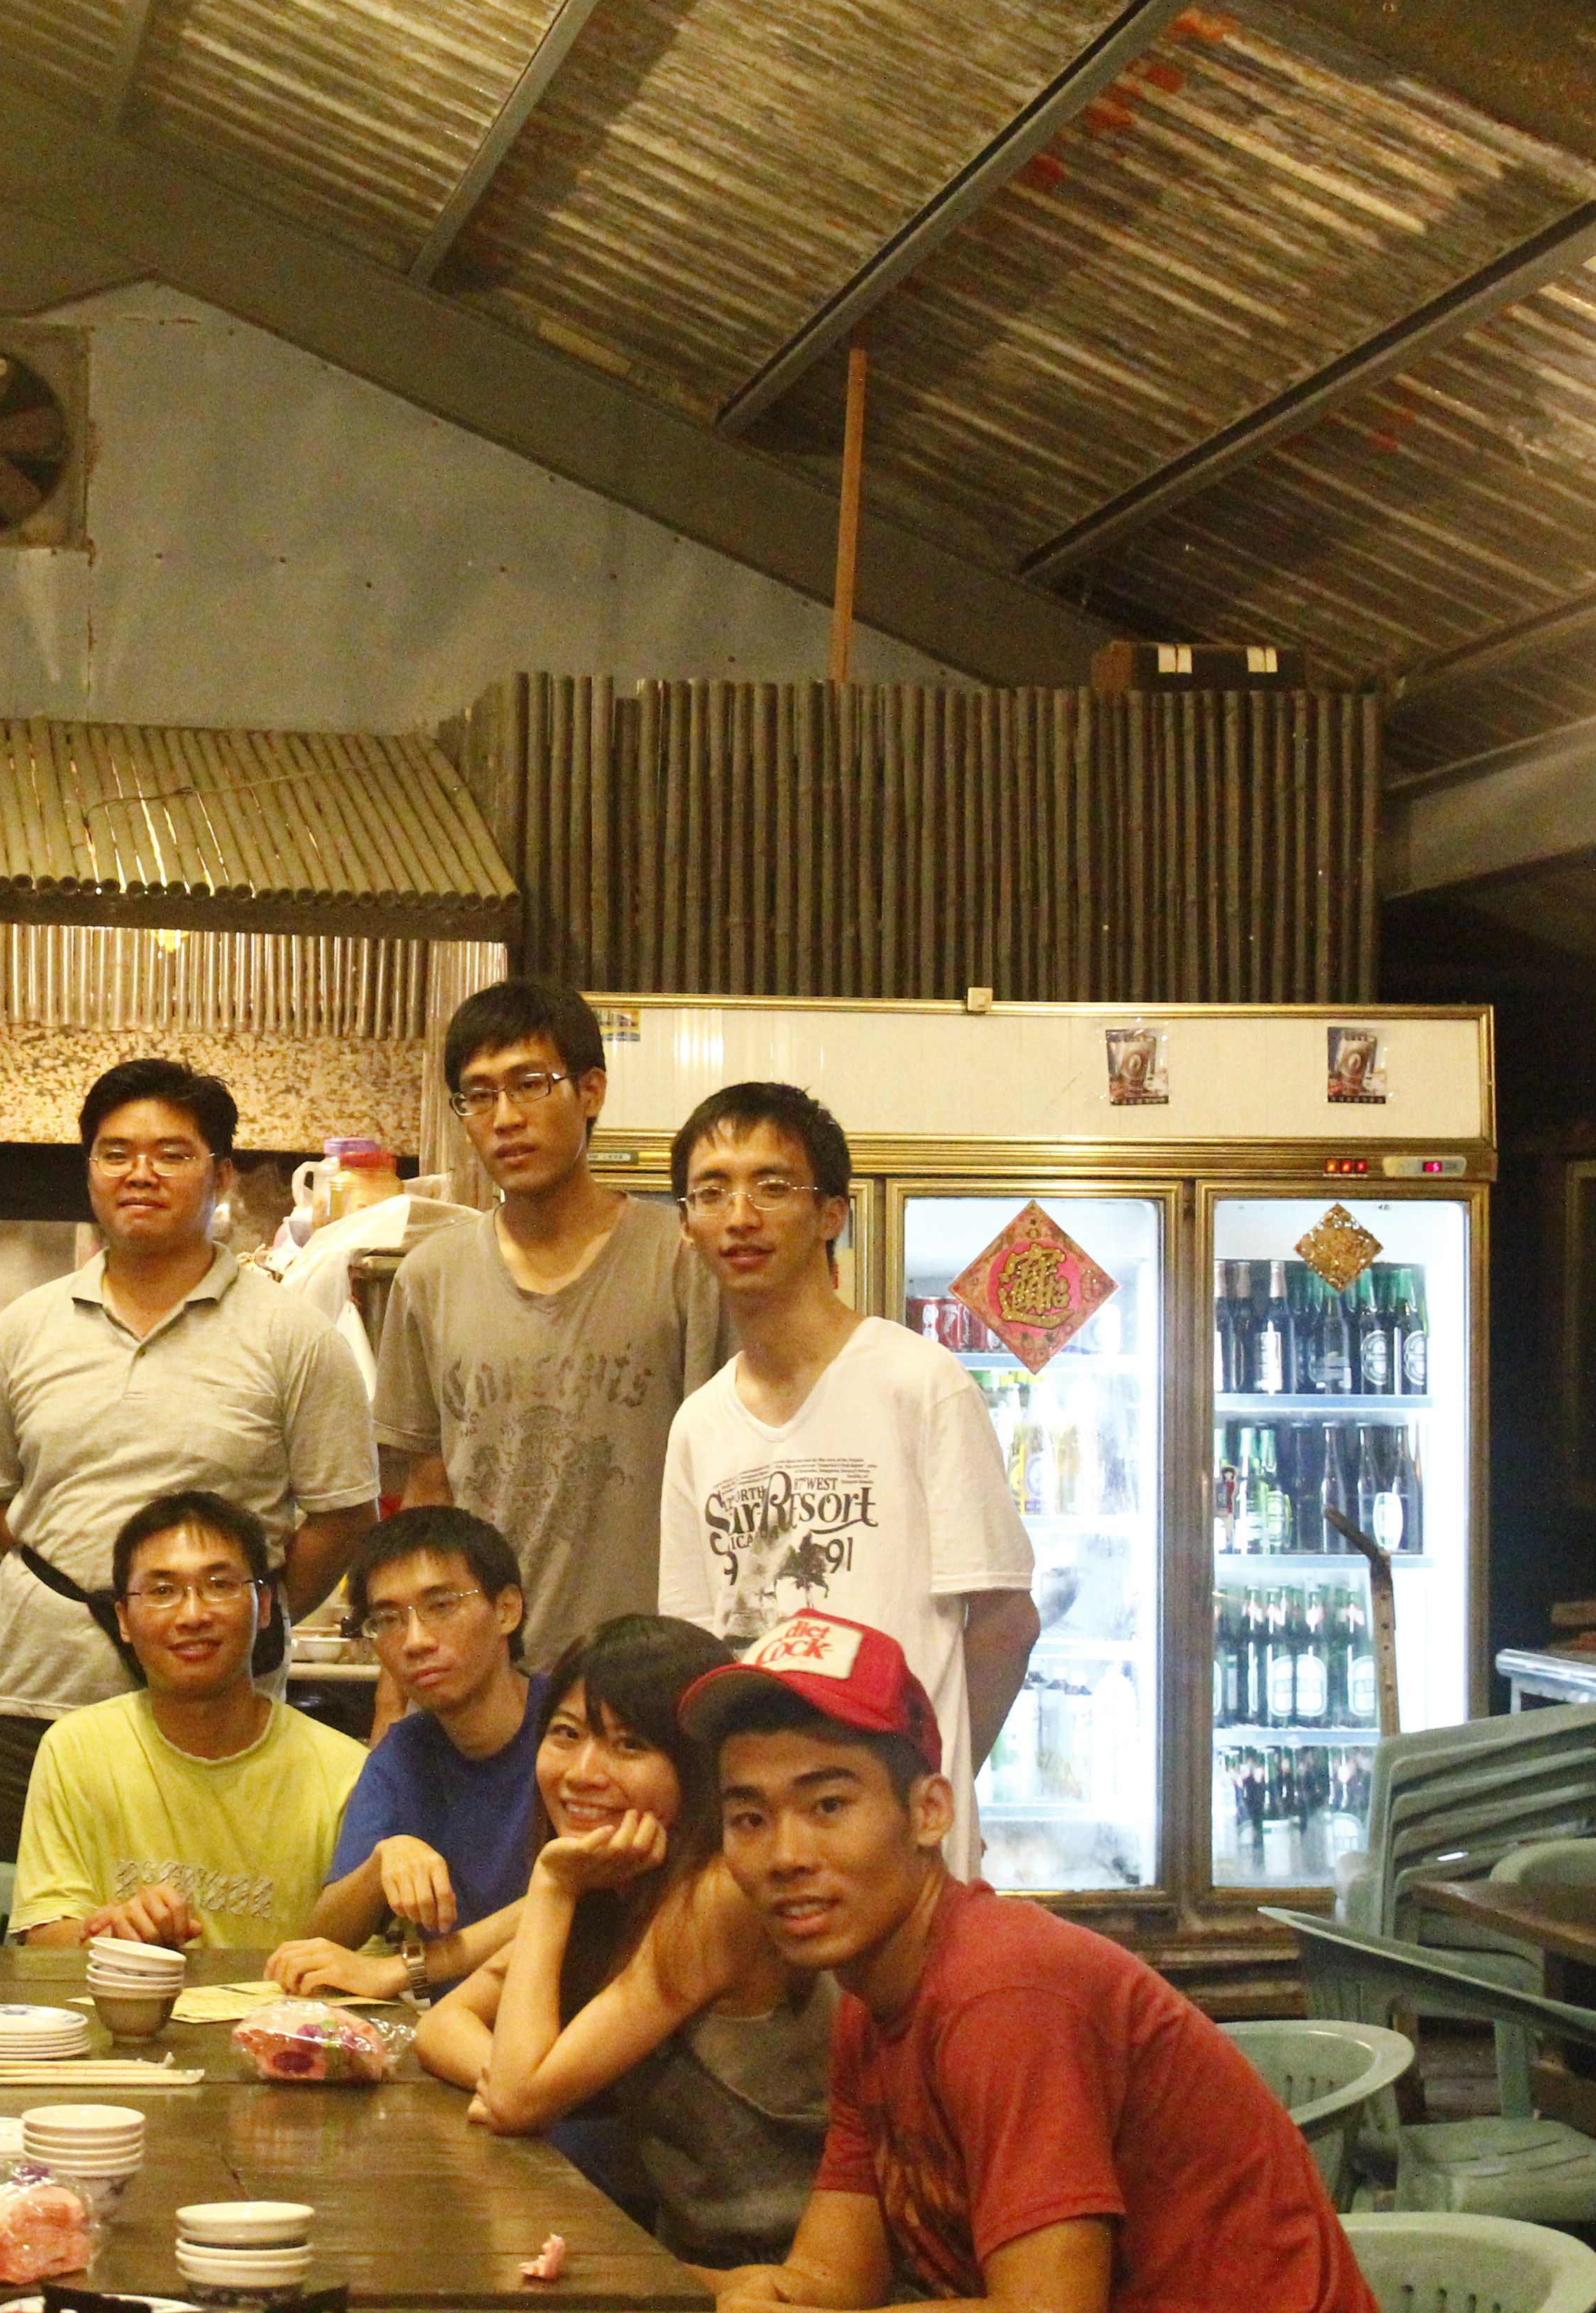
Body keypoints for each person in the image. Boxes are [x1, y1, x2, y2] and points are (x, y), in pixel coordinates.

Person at [688, 1611, 1374, 2313]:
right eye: (750, 1819)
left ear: (930, 1812)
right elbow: (827, 2284)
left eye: (828, 1805)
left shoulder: (1002, 1993)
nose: (786, 1856)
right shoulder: (870, 2006)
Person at [0, 1059, 381, 1859]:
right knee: (17, 1919)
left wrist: (236, 1615)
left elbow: (343, 1517)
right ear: (89, 1169)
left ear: (221, 1175)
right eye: (115, 1153)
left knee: (212, 1915)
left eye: (171, 1154)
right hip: (30, 1698)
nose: (140, 1174)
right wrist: (82, 1582)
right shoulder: (23, 1330)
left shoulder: (295, 1338)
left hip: (216, 1712)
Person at [657, 1081, 1038, 1878]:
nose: (740, 1215)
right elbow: (695, 1654)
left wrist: (928, 1790)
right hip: (764, 1855)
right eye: (712, 1191)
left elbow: (1005, 1624)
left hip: (905, 1850)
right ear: (688, 1226)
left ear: (831, 1213)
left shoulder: (919, 1383)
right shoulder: (698, 1424)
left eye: (771, 1185)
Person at [413, 1615, 824, 2275]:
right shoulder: (615, 1881)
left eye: (630, 1745)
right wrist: (512, 2075)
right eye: (566, 1735)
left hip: (780, 2275)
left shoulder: (718, 1893)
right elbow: (442, 2024)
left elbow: (519, 2102)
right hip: (690, 2254)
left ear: (697, 1766)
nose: (583, 1773)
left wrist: (552, 1886)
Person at [375, 980, 727, 1669]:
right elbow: (427, 1493)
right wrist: (400, 1681)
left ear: (591, 1091)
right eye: (479, 1095)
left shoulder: (684, 1260)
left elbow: (729, 1473)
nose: (505, 1118)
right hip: (484, 1679)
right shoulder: (429, 1278)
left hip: (649, 1670)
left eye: (531, 1084)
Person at [10, 1493, 367, 1949]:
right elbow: (44, 1935)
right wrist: (117, 1935)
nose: (193, 1614)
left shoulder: (345, 1774)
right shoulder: (76, 1750)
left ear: (264, 1605)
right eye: (162, 1591)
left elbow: (359, 1960)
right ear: (123, 1619)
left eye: (219, 1585)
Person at [270, 1506, 547, 2000]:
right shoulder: (404, 1754)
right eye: (388, 1620)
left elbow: (578, 1899)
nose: (415, 1641)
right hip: (456, 2028)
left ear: (507, 1610)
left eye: (441, 1606)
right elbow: (323, 1943)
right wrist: (382, 1861)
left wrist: (407, 1969)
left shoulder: (575, 1729)